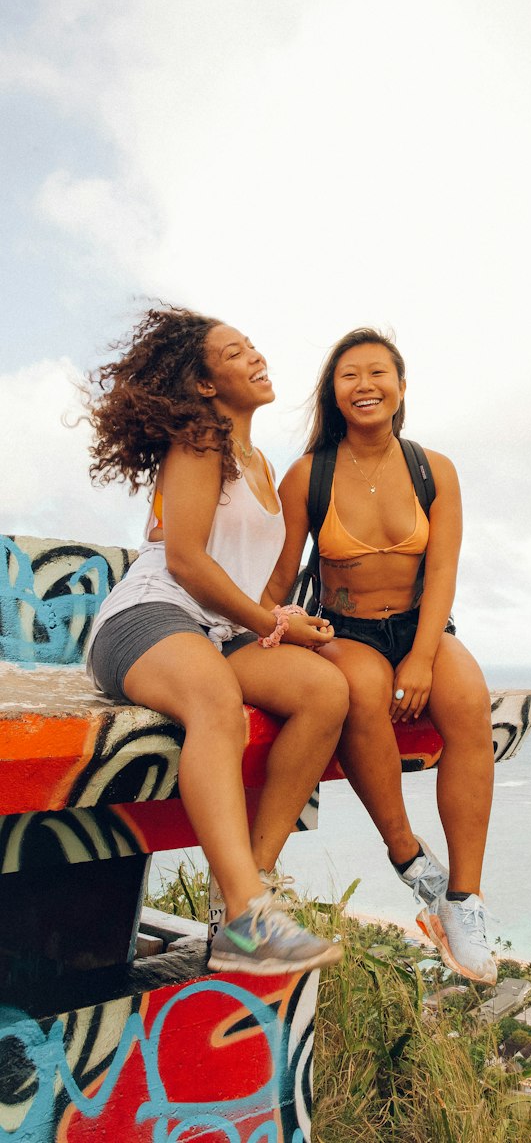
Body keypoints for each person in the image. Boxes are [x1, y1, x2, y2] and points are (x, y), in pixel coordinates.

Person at [84, 305, 349, 975]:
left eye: (253, 346)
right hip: (147, 618)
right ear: (205, 385)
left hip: (216, 629)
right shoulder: (199, 442)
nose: (256, 357)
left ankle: (249, 880)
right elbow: (184, 562)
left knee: (325, 692)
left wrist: (287, 619)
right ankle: (247, 913)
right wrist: (269, 625)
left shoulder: (261, 465)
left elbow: (246, 588)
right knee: (217, 709)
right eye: (235, 352)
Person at [265, 328, 497, 984]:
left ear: (400, 387)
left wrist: (423, 658)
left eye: (377, 373)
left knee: (469, 705)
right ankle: (409, 858)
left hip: (421, 626)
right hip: (346, 630)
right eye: (349, 376)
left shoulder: (435, 469)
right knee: (362, 696)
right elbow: (281, 576)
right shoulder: (310, 474)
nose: (364, 385)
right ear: (333, 395)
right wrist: (255, 635)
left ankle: (464, 901)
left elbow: (444, 571)